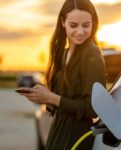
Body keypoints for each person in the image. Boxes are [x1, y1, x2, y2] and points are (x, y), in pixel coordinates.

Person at [18, 0, 106, 149]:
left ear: (93, 23)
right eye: (73, 25)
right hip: (58, 131)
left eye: (86, 25)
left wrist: (51, 97)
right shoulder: (63, 55)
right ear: (63, 22)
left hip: (77, 137)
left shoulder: (92, 54)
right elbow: (64, 102)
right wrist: (44, 98)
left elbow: (93, 108)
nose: (80, 31)